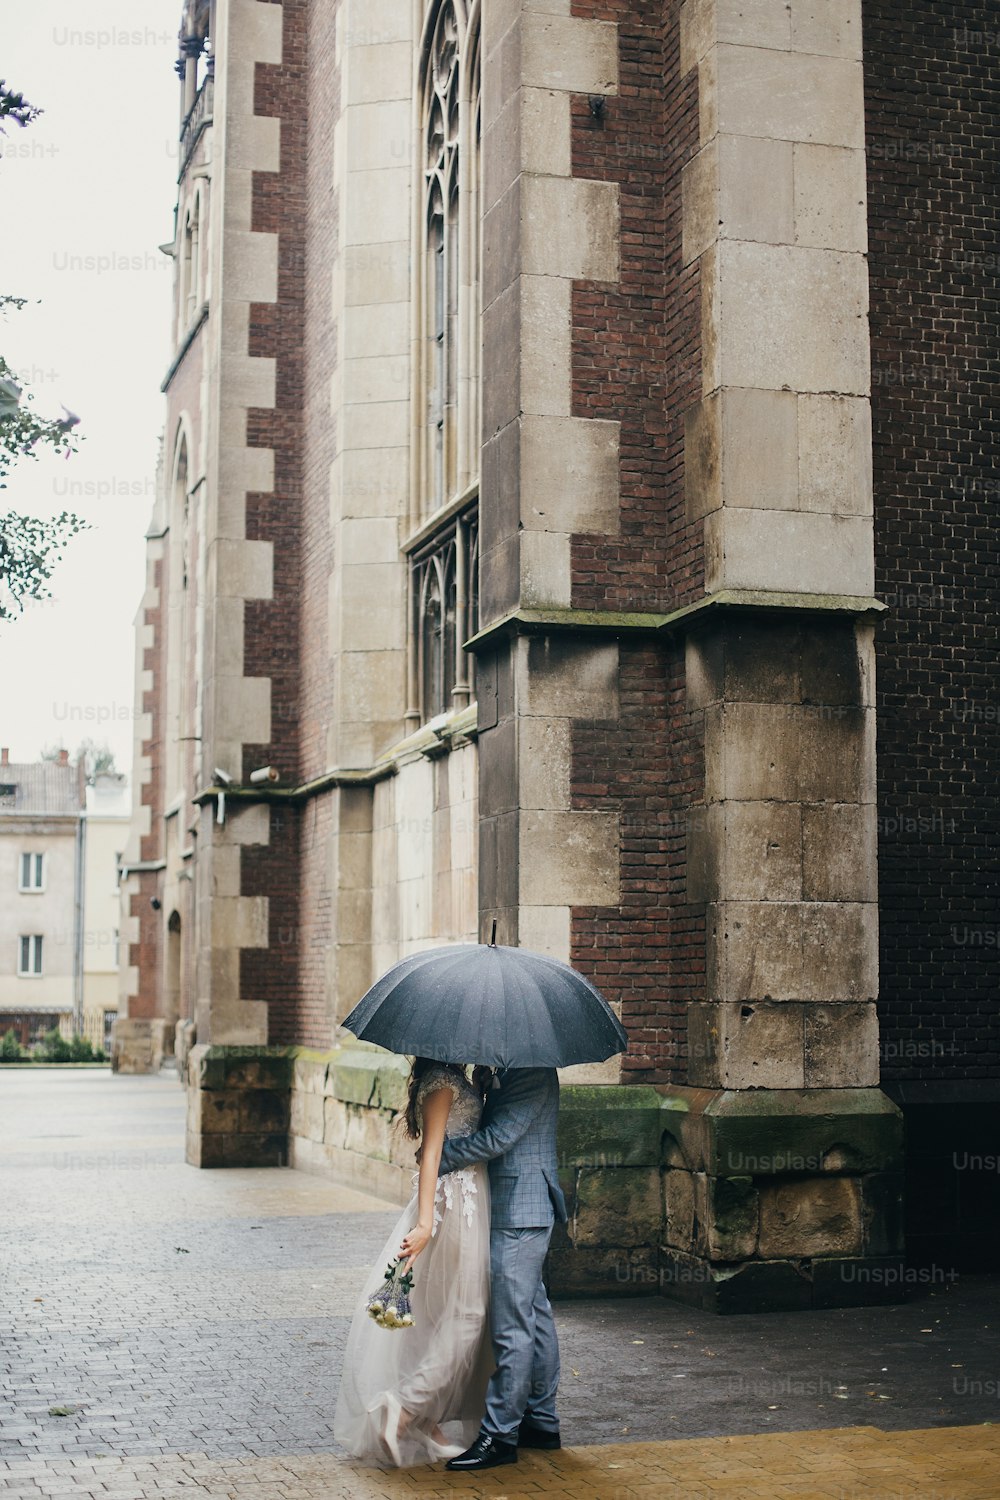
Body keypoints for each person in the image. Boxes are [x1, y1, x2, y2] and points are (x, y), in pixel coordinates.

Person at [333, 1057, 494, 1467]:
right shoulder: (442, 1083)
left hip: (463, 1195)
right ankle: (406, 1407)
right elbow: (432, 1154)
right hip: (457, 1202)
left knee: (437, 1313)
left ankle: (427, 1423)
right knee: (469, 1314)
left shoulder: (453, 1078)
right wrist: (425, 1223)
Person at [433, 1065, 568, 1472]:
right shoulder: (507, 1071)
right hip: (515, 1206)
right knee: (535, 1316)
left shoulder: (533, 1072)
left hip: (520, 1208)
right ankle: (541, 1423)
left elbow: (502, 1137)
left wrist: (442, 1157)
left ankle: (500, 1434)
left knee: (512, 1326)